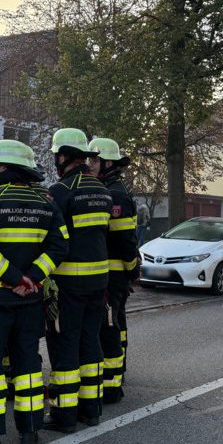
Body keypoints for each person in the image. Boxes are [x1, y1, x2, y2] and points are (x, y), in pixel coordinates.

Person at [0, 139, 68, 444]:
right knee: (28, 366)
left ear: (1, 168)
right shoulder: (46, 202)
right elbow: (60, 247)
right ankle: (30, 433)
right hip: (30, 301)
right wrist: (31, 278)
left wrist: (11, 279)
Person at [45, 128, 112, 432]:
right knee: (90, 339)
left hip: (68, 281)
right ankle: (92, 408)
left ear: (64, 156)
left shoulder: (60, 191)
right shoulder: (101, 189)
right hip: (99, 279)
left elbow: (51, 238)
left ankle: (65, 415)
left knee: (65, 343)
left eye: (57, 156)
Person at [88, 137, 138, 404]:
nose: (90, 164)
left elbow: (124, 239)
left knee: (110, 326)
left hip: (112, 273)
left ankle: (112, 384)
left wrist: (132, 267)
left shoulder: (115, 192)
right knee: (114, 324)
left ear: (108, 163)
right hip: (109, 272)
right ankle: (116, 373)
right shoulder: (106, 187)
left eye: (95, 160)